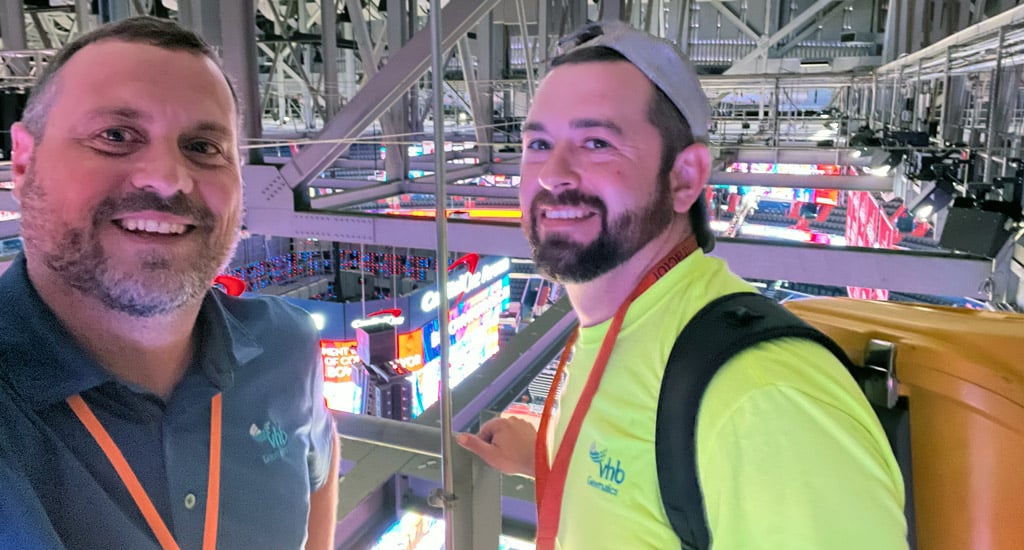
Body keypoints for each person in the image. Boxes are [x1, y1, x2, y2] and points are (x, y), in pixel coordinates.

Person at [457, 21, 907, 549]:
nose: (552, 174)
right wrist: (545, 454)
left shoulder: (763, 397)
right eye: (538, 143)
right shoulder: (621, 331)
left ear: (685, 178)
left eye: (596, 142)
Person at [0, 17, 338, 549]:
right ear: (23, 162)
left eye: (203, 146)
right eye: (115, 136)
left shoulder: (286, 344)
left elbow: (321, 462)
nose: (168, 179)